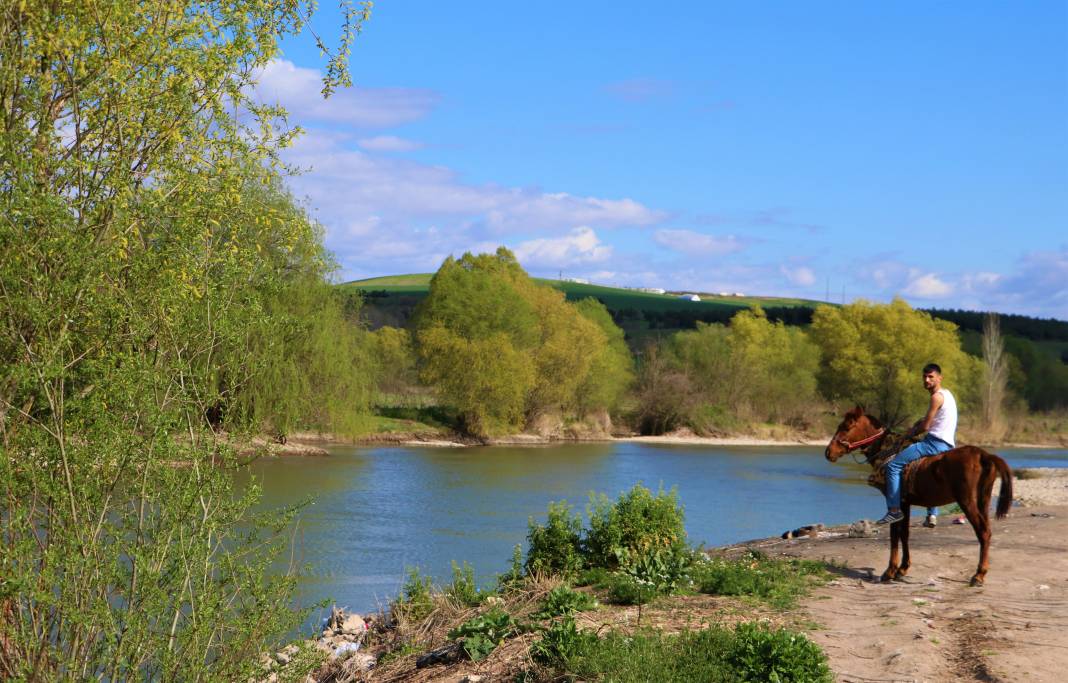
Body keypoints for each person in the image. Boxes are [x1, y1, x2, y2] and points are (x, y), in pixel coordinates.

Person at [876, 363, 957, 526]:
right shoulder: (947, 394)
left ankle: (893, 511)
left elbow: (926, 427)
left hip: (934, 443)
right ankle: (932, 515)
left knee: (893, 466)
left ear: (939, 378)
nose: (927, 380)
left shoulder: (936, 397)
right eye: (924, 377)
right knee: (927, 473)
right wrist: (920, 422)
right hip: (948, 445)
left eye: (931, 377)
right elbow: (935, 419)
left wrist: (909, 433)